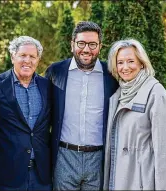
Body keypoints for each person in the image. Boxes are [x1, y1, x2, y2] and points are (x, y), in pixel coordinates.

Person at [45, 21, 118, 190]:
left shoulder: (112, 75)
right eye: (81, 43)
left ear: (100, 46)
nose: (86, 49)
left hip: (98, 158)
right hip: (64, 156)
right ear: (72, 45)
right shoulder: (56, 72)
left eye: (92, 44)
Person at [103, 39, 166, 190]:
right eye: (120, 62)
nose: (125, 67)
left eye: (131, 61)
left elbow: (164, 153)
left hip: (143, 181)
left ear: (142, 63)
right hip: (119, 179)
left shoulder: (156, 93)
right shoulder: (118, 94)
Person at [0, 36, 52, 191]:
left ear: (38, 60)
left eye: (32, 57)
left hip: (41, 175)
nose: (27, 60)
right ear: (13, 56)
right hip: (8, 175)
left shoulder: (48, 86)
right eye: (23, 55)